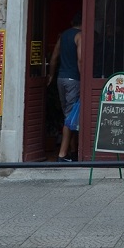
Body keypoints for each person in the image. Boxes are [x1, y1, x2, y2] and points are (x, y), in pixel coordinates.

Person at [47, 13, 82, 162]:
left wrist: (51, 75)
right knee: (70, 116)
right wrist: (84, 78)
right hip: (74, 79)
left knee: (69, 113)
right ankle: (62, 154)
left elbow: (54, 56)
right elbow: (81, 59)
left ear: (71, 21)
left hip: (61, 78)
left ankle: (73, 150)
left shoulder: (63, 35)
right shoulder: (80, 36)